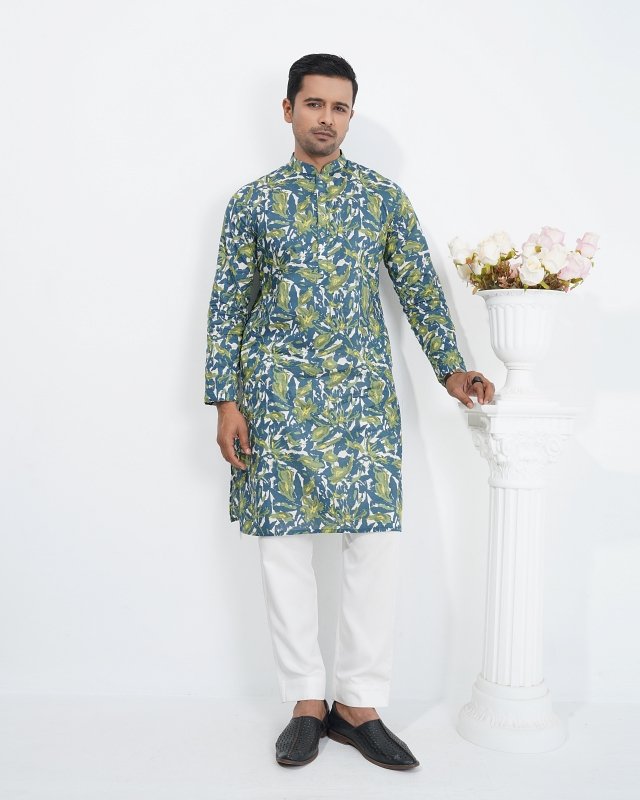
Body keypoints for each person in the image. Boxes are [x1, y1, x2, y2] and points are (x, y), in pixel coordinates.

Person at [204, 53, 495, 770]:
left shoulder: (381, 197)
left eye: (339, 107)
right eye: (314, 104)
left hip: (362, 396)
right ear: (288, 110)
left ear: (350, 115)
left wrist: (451, 368)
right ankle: (306, 702)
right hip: (275, 396)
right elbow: (228, 306)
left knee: (373, 548)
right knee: (283, 550)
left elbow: (419, 286)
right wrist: (226, 400)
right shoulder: (253, 203)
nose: (326, 119)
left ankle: (358, 705)